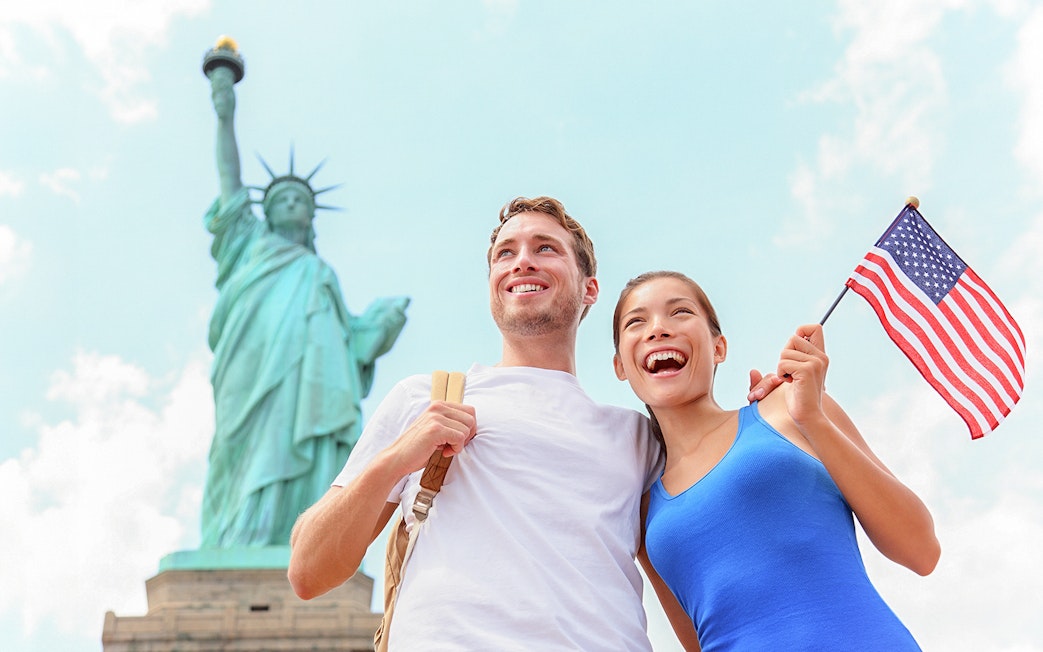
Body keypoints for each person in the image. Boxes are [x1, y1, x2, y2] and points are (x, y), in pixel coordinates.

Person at [289, 197, 753, 649]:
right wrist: (394, 460)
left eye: (545, 248)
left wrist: (770, 413)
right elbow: (308, 571)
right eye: (505, 254)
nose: (522, 262)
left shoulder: (637, 438)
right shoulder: (424, 399)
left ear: (589, 288)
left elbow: (685, 592)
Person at [611, 270, 941, 651]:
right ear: (620, 366)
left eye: (680, 312)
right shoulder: (644, 512)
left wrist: (812, 418)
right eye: (637, 322)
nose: (658, 329)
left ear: (719, 347)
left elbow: (921, 550)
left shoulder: (790, 407)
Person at [200, 59, 409, 548]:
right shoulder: (246, 244)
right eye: (282, 198)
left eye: (301, 199)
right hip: (250, 373)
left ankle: (303, 544)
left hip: (312, 387)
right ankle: (234, 543)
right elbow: (230, 180)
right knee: (243, 453)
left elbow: (347, 342)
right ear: (266, 210)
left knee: (313, 452)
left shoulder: (320, 273)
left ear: (312, 216)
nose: (292, 203)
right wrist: (224, 112)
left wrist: (379, 328)